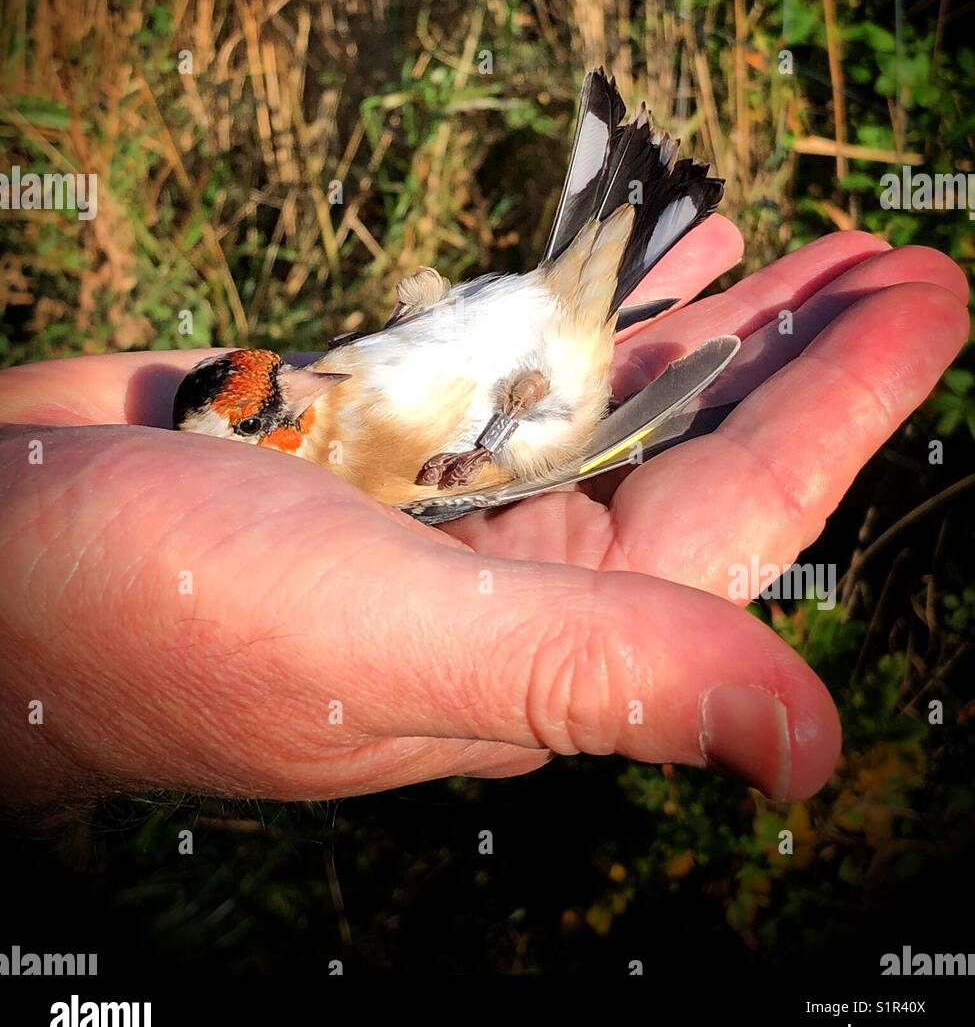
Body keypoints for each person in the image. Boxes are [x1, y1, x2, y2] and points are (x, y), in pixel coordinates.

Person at [0, 220, 967, 808]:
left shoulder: (323, 400)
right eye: (261, 415)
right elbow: (516, 462)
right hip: (534, 381)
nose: (284, 390)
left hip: (508, 322)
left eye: (263, 388)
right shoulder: (350, 482)